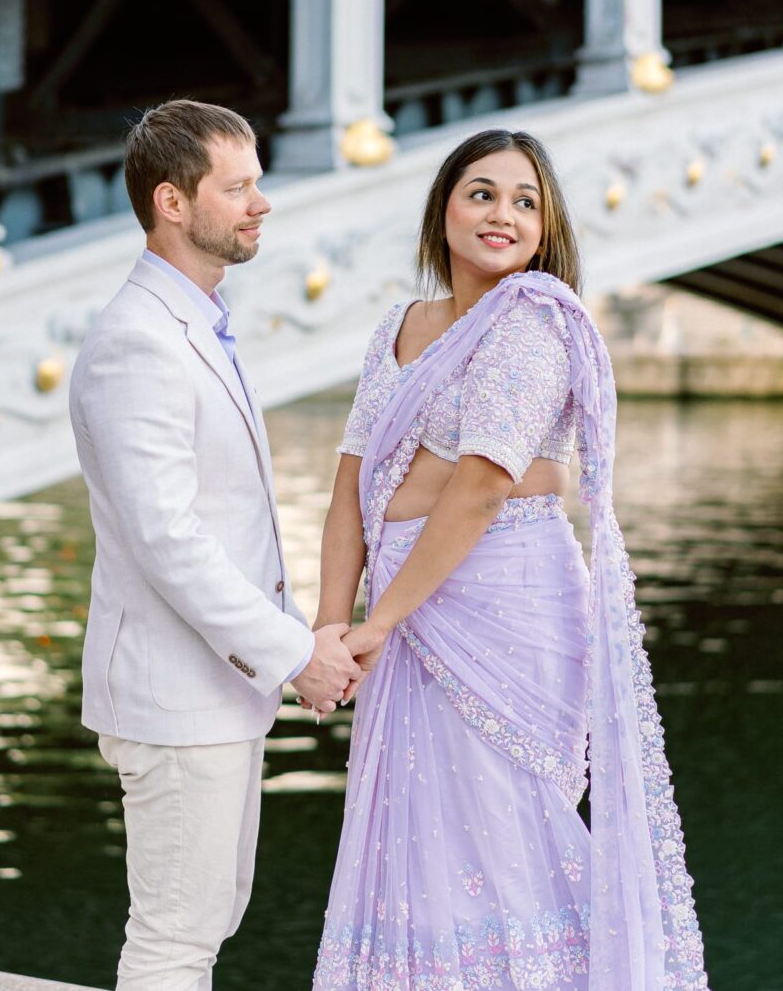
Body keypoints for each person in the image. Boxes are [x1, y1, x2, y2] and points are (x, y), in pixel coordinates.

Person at [311, 129, 708, 990]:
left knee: (500, 828)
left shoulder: (532, 318)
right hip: (404, 601)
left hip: (499, 601)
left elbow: (484, 484)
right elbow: (352, 486)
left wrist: (382, 617)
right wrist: (330, 625)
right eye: (481, 192)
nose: (503, 214)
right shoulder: (399, 325)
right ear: (443, 208)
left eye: (525, 201)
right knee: (416, 832)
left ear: (547, 226)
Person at [69, 99, 360, 991]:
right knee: (174, 940)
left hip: (208, 692)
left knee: (209, 918)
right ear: (171, 202)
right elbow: (170, 542)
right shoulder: (138, 341)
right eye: (236, 188)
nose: (260, 203)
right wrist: (291, 653)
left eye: (258, 184)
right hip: (174, 696)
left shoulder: (193, 323)